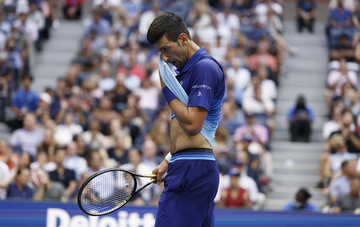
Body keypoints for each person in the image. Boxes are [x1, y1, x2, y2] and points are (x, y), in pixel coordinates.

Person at [147, 12, 225, 227]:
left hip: (192, 170)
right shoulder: (186, 71)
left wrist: (167, 91)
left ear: (182, 39)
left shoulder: (205, 68)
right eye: (159, 52)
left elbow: (192, 125)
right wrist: (167, 160)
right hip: (190, 166)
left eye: (165, 49)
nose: (164, 57)